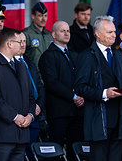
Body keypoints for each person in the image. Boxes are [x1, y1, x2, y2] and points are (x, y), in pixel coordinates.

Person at [75, 16, 122, 161]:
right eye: (110, 32)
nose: (114, 35)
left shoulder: (118, 55)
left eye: (114, 31)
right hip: (98, 121)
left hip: (119, 120)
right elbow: (80, 88)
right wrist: (104, 93)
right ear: (97, 34)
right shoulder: (87, 56)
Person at [0, 28, 36, 161]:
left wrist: (30, 116)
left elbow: (31, 96)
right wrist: (15, 117)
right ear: (9, 44)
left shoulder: (21, 66)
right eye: (18, 42)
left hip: (22, 134)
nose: (22, 45)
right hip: (3, 134)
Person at [38, 21, 84, 160]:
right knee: (55, 151)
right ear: (54, 34)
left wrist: (81, 96)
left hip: (76, 111)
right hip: (58, 111)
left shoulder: (74, 55)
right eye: (62, 31)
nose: (66, 33)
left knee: (75, 151)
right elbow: (52, 83)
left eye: (68, 31)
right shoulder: (48, 56)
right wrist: (74, 96)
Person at [15, 32, 45, 159]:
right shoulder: (11, 64)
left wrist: (39, 105)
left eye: (24, 41)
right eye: (19, 41)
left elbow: (39, 86)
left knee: (33, 151)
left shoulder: (29, 61)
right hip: (21, 116)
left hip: (35, 114)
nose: (22, 44)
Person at [23, 2, 53, 68]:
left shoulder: (49, 35)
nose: (43, 19)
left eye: (45, 16)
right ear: (33, 16)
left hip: (49, 75)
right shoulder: (26, 34)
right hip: (33, 75)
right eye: (40, 15)